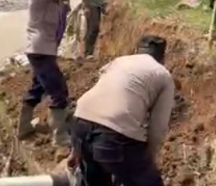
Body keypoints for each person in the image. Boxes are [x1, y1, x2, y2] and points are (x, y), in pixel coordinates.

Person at [68, 35, 175, 186]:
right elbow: (158, 127)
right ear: (162, 58)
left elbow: (99, 92)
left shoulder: (119, 61)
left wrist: (75, 150)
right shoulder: (163, 75)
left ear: (137, 51)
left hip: (80, 124)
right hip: (113, 135)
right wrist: (146, 161)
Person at [19, 0, 96, 146]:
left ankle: (24, 127)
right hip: (40, 50)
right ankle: (60, 136)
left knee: (37, 88)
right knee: (58, 90)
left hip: (45, 50)